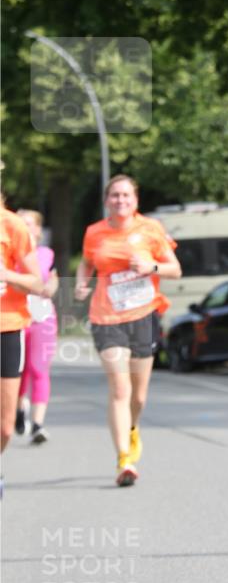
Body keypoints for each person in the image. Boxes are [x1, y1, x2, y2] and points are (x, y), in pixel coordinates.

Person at [74, 175, 181, 487]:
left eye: (126, 196)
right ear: (107, 200)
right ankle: (124, 459)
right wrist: (82, 282)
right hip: (106, 317)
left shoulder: (150, 229)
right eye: (114, 196)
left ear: (135, 201)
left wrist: (152, 268)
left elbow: (175, 269)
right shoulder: (94, 232)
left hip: (144, 315)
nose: (120, 200)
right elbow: (86, 263)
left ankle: (132, 428)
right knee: (119, 389)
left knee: (139, 395)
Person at [0, 197, 42, 462]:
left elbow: (37, 283)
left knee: (4, 427)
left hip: (7, 328)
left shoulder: (12, 225)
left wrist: (7, 275)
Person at [16, 210, 59, 444]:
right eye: (19, 223)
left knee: (39, 369)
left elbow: (52, 279)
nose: (23, 227)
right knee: (18, 370)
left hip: (42, 317)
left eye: (29, 223)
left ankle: (38, 424)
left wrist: (50, 287)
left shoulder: (45, 253)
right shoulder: (9, 253)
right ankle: (19, 407)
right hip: (15, 317)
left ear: (38, 230)